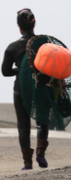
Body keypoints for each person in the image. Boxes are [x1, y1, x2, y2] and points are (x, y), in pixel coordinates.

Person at [2, 9, 50, 170]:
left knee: (23, 126)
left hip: (21, 90)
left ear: (19, 27)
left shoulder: (12, 47)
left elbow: (5, 71)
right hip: (40, 89)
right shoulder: (43, 43)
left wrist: (21, 70)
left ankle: (27, 162)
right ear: (34, 24)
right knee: (42, 121)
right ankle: (40, 154)